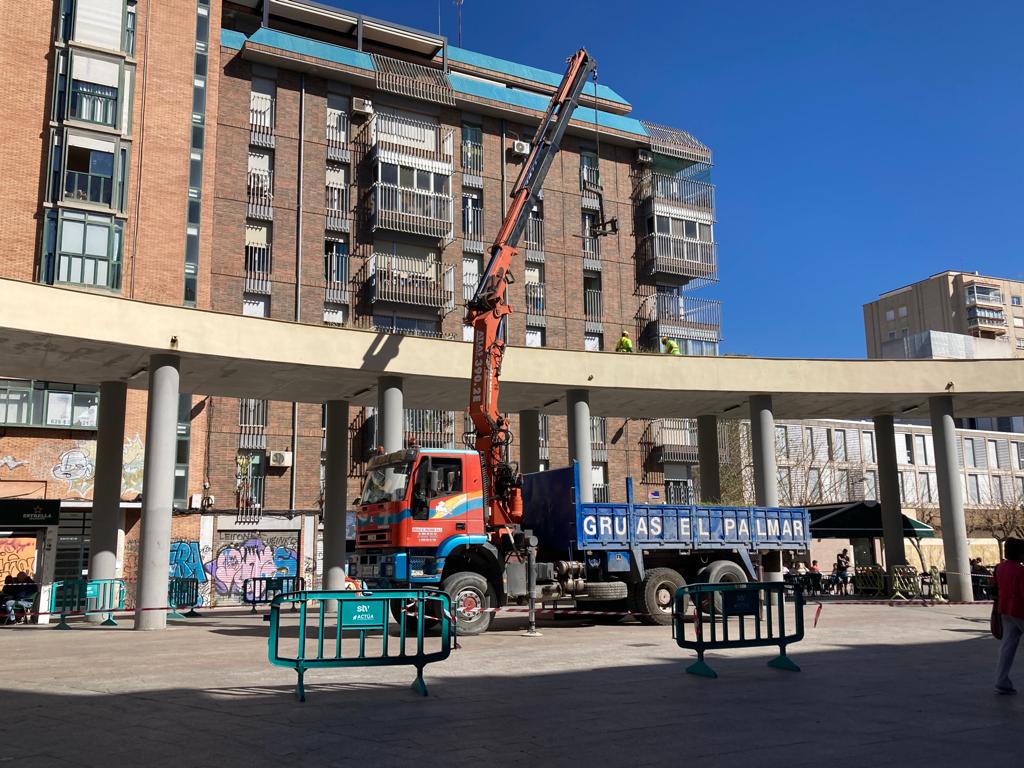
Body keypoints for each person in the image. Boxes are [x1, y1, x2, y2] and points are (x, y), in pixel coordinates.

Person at [994, 537, 1024, 695]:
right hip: (1020, 610)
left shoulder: (1000, 567)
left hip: (1005, 609)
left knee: (1007, 646)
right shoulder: (1020, 570)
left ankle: (1001, 680)